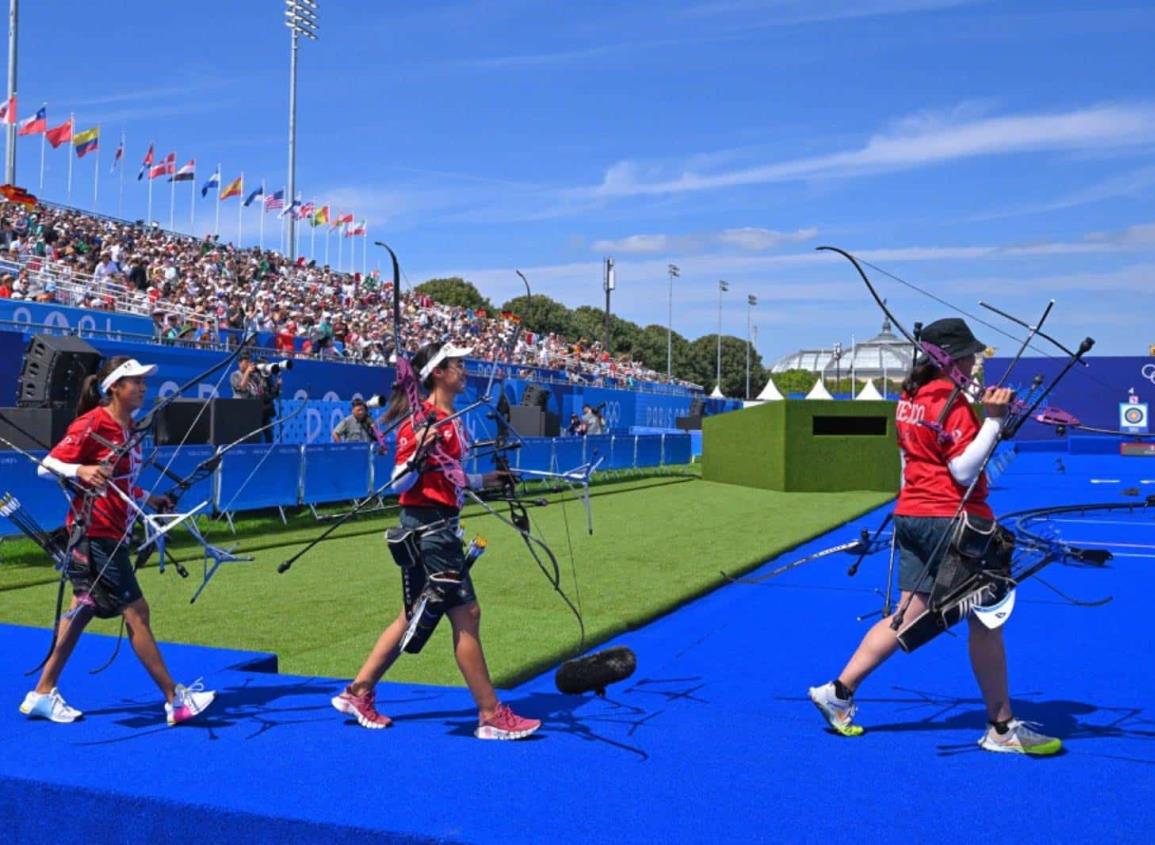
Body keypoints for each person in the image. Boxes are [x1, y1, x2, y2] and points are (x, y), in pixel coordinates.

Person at [807, 317, 1061, 756]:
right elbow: (963, 470)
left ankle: (839, 692)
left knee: (907, 614)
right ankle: (1001, 729)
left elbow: (916, 458)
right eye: (970, 354)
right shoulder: (951, 401)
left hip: (913, 514)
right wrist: (995, 421)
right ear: (954, 357)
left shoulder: (910, 395)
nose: (976, 360)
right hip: (954, 522)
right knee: (987, 619)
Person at [331, 340, 542, 740]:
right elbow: (399, 482)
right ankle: (490, 714)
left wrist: (484, 481)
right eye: (457, 364)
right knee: (467, 615)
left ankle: (358, 691)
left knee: (412, 615)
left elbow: (449, 476)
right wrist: (415, 456)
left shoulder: (451, 418)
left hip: (438, 525)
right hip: (429, 529)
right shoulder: (421, 419)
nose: (464, 370)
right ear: (439, 374)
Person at [19, 356, 216, 727]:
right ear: (114, 387)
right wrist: (81, 469)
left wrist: (149, 498)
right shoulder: (94, 422)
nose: (142, 387)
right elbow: (45, 466)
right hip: (95, 533)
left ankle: (42, 692)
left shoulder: (129, 431)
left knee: (83, 608)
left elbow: (119, 482)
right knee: (136, 612)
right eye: (135, 381)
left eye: (143, 381)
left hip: (112, 532)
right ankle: (175, 699)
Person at [229, 352, 276, 442]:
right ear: (240, 363)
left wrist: (263, 373)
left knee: (263, 433)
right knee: (244, 434)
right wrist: (247, 372)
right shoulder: (235, 375)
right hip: (240, 408)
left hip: (254, 408)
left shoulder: (254, 376)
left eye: (249, 361)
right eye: (246, 361)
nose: (248, 363)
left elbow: (262, 390)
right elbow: (241, 388)